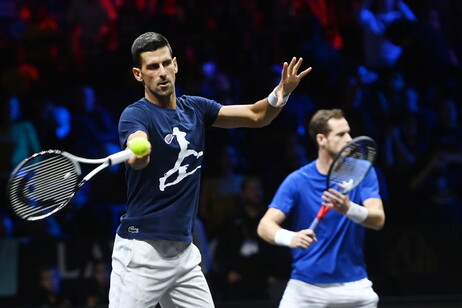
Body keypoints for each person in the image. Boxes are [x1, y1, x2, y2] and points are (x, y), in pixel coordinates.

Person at [109, 31, 312, 308]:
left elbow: (256, 115)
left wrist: (281, 94)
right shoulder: (136, 115)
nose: (162, 72)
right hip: (142, 251)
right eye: (152, 67)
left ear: (176, 64)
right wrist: (139, 150)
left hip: (184, 253)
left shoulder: (195, 109)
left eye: (166, 63)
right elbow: (137, 149)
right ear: (138, 74)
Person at [257, 108, 385, 308]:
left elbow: (378, 219)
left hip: (355, 289)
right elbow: (265, 226)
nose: (349, 139)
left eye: (349, 132)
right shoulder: (297, 180)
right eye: (341, 134)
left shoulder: (363, 173)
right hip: (306, 289)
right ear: (321, 139)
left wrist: (349, 208)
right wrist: (291, 238)